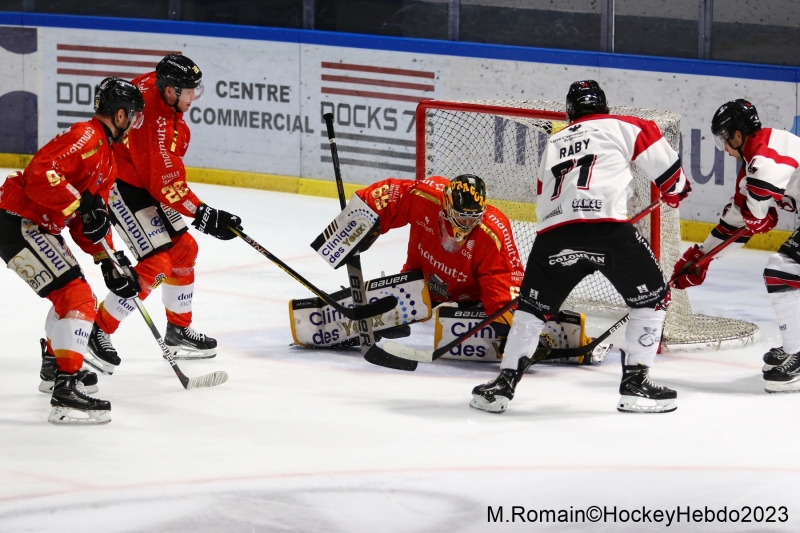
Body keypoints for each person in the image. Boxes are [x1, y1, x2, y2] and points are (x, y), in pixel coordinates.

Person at [470, 80, 691, 414]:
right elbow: (674, 180)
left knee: (531, 310)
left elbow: (544, 195)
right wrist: (675, 191)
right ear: (603, 106)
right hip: (608, 231)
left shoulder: (555, 140)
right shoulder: (627, 125)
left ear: (570, 111)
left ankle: (502, 385)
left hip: (554, 236)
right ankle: (635, 385)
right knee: (654, 299)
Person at [85, 54, 243, 375]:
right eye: (188, 92)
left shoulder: (157, 86)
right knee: (157, 263)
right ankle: (97, 331)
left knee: (185, 250)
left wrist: (202, 215)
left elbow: (161, 179)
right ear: (170, 92)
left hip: (142, 176)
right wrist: (204, 215)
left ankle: (178, 332)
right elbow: (165, 184)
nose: (193, 98)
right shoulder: (155, 130)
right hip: (120, 183)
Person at [0, 77, 144, 425]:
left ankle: (55, 367)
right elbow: (40, 173)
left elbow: (88, 221)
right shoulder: (87, 135)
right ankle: (65, 390)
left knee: (75, 296)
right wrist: (79, 204)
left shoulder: (108, 159)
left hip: (37, 225)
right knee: (77, 299)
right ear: (121, 115)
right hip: (19, 220)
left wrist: (108, 259)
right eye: (134, 117)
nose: (135, 124)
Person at [672, 99, 800, 393]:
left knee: (783, 270)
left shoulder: (770, 146)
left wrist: (756, 213)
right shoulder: (750, 168)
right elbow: (735, 224)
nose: (726, 148)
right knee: (788, 273)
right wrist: (701, 258)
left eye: (724, 139)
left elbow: (762, 189)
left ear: (737, 134)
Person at [354, 174, 524, 319]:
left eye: (474, 218)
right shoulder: (427, 198)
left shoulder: (493, 231)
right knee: (391, 308)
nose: (468, 224)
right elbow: (394, 195)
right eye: (462, 217)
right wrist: (361, 211)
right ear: (448, 206)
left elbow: (501, 274)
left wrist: (506, 314)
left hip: (471, 300)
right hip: (420, 282)